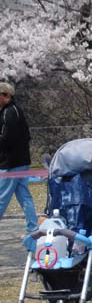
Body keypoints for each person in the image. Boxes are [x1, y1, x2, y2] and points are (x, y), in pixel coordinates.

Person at [0, 82, 38, 235]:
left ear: (6, 96)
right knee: (24, 195)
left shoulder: (9, 113)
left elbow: (5, 138)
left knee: (1, 196)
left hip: (11, 163)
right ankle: (33, 227)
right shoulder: (14, 111)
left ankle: (33, 227)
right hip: (21, 161)